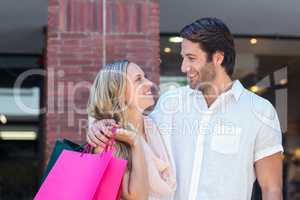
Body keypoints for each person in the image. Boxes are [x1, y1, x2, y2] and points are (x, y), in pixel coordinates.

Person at [88, 18, 283, 200]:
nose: (183, 67)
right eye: (183, 58)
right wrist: (101, 125)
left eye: (191, 58)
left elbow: (271, 188)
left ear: (217, 58)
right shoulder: (170, 102)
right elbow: (136, 129)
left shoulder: (259, 111)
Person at [87, 60, 176, 200]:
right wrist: (135, 142)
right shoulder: (107, 143)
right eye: (138, 80)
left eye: (145, 76)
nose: (149, 83)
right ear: (118, 94)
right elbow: (137, 197)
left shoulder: (156, 125)